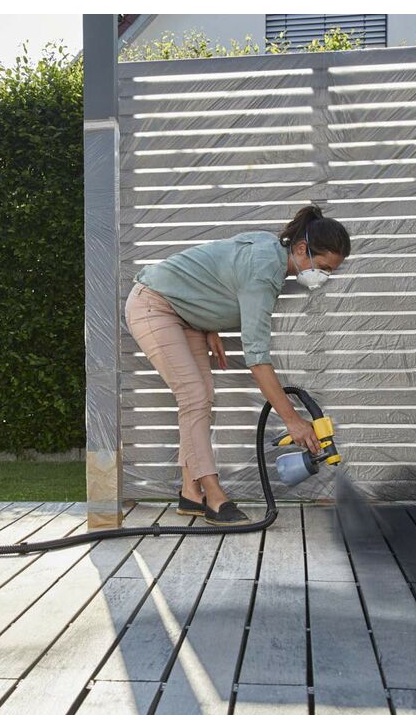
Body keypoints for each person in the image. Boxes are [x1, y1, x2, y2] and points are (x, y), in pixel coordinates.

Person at [124, 203, 351, 524]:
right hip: (154, 303)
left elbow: (217, 272)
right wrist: (292, 420)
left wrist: (210, 321)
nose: (324, 276)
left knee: (200, 400)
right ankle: (215, 497)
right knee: (194, 397)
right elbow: (257, 359)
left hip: (188, 316)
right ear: (302, 249)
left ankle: (191, 493)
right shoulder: (264, 270)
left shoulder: (269, 249)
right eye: (324, 268)